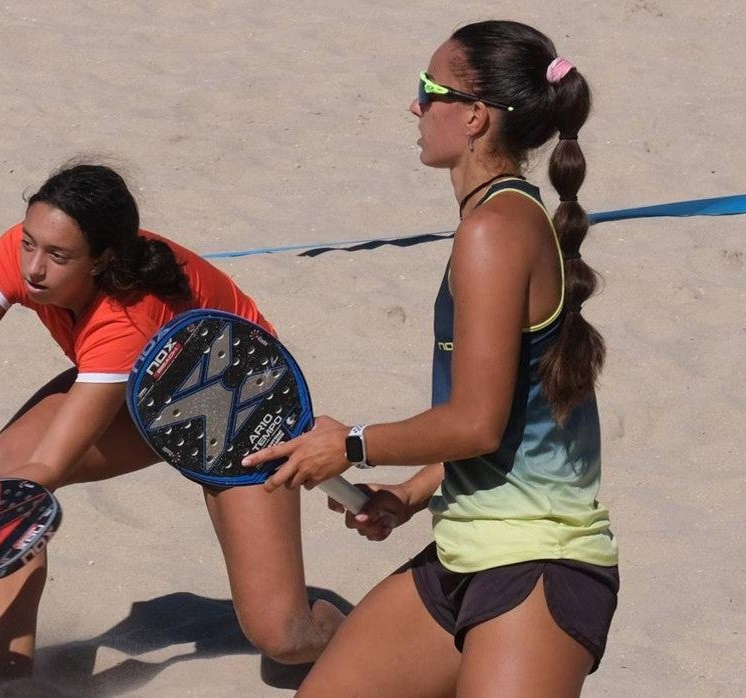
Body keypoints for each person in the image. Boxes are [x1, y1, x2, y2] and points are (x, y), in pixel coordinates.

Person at [0, 161, 343, 682]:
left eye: (57, 256)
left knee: (283, 639)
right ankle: (13, 679)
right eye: (30, 243)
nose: (34, 268)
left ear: (103, 259)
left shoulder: (122, 320)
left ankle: (364, 636)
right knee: (7, 460)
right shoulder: (27, 252)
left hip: (242, 406)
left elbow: (48, 467)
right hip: (147, 388)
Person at [243, 20, 619, 696]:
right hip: (463, 554)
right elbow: (509, 417)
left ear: (475, 115)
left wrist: (351, 446)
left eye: (428, 89)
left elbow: (474, 422)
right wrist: (411, 494)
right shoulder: (503, 221)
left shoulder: (494, 231)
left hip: (538, 566)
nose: (415, 107)